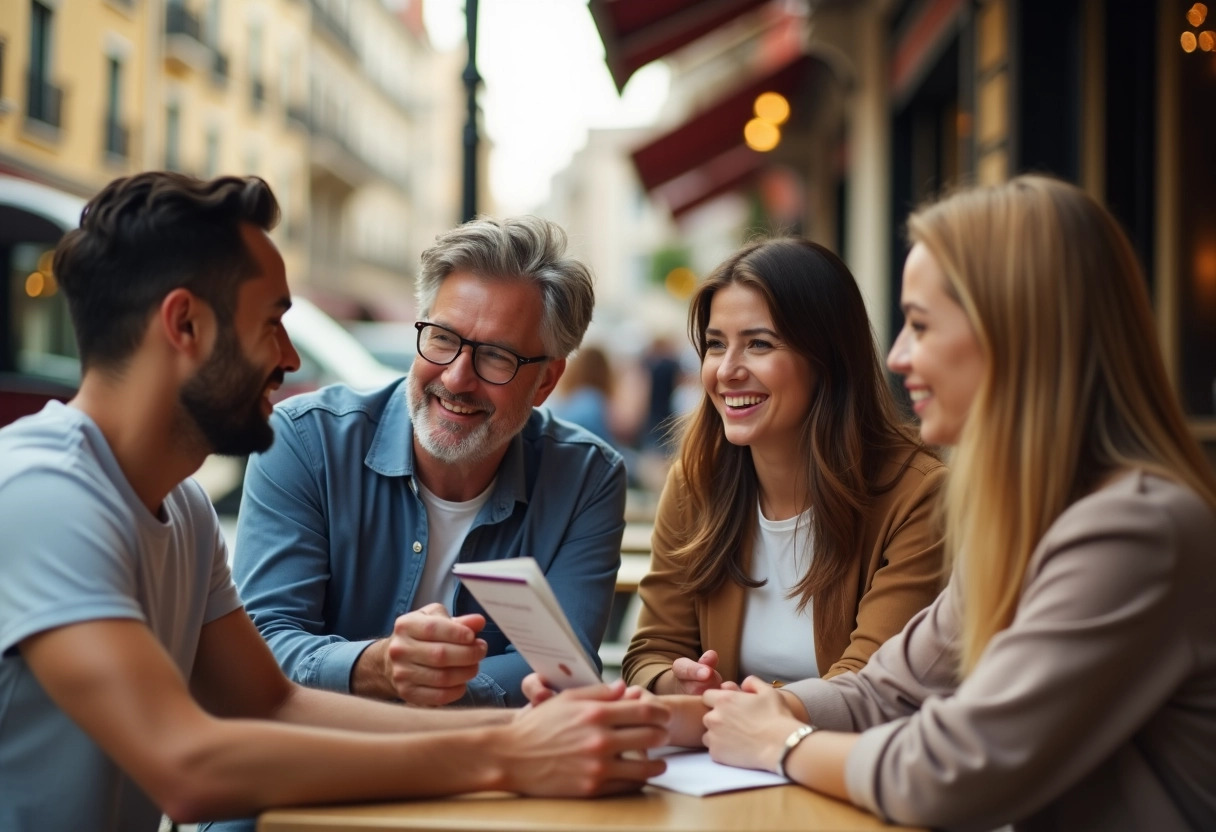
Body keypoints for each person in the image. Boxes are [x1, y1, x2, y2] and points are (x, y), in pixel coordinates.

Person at [0, 172, 669, 832]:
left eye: (493, 356)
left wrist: (566, 735)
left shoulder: (183, 510)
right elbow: (187, 766)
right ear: (185, 325)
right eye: (272, 323)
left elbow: (275, 702)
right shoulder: (42, 493)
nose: (290, 358)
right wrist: (506, 752)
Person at [700, 176, 1216, 830]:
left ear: (1016, 331)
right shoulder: (1032, 514)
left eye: (919, 325)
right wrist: (718, 716)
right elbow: (888, 689)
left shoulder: (1136, 529)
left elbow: (955, 768)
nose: (897, 356)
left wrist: (783, 743)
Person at [232, 215, 625, 708]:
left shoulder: (587, 477)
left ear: (546, 382)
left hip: (489, 773)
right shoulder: (306, 441)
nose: (458, 378)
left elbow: (563, 671)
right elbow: (261, 644)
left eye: (496, 356)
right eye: (442, 338)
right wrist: (375, 665)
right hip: (323, 763)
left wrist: (421, 680)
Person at [622, 238, 946, 695]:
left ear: (826, 360)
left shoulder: (917, 496)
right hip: (726, 756)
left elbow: (872, 687)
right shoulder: (697, 482)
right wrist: (680, 684)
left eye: (758, 343)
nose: (727, 370)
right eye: (716, 345)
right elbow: (652, 650)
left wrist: (746, 709)